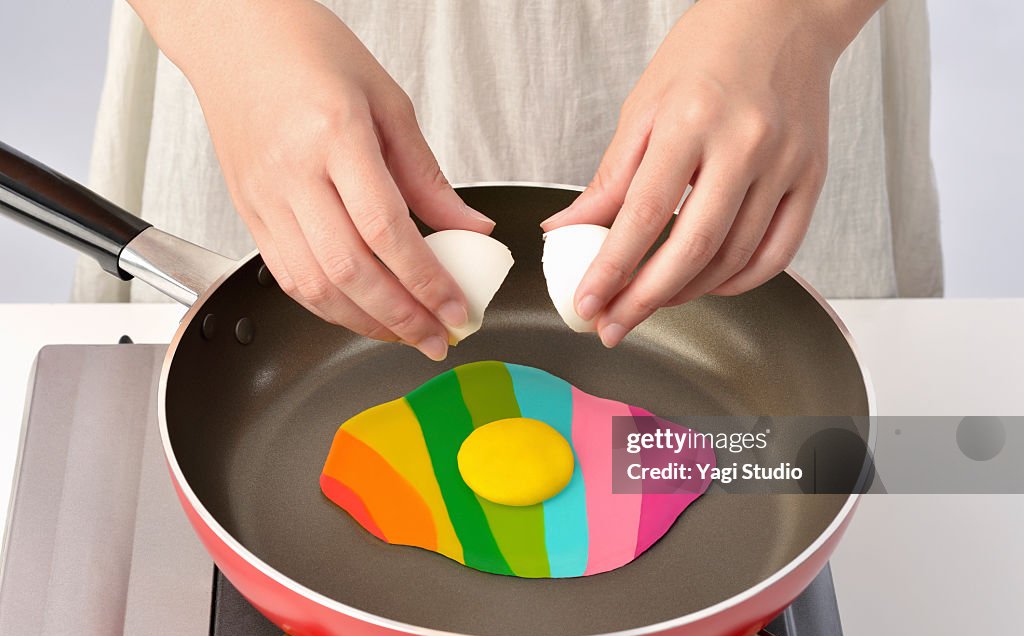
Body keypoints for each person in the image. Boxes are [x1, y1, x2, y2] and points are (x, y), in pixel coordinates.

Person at [73, 0, 942, 360]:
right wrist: (233, 41)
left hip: (760, 60)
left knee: (745, 267)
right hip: (280, 50)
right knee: (312, 249)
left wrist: (797, 21)